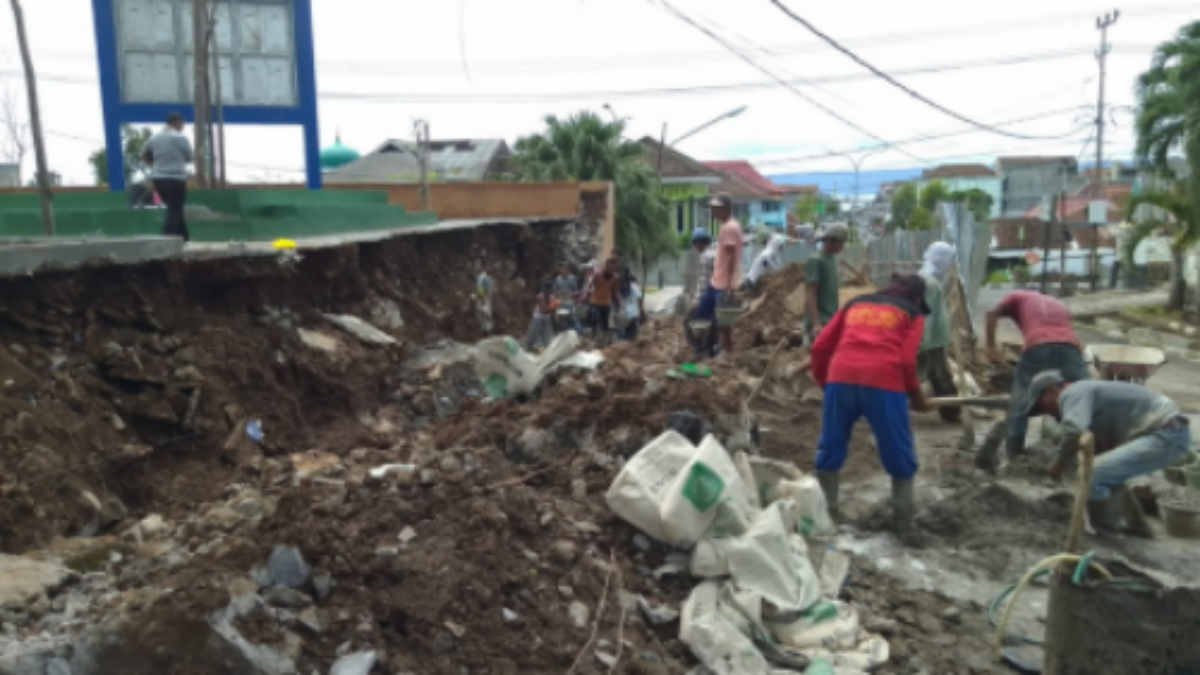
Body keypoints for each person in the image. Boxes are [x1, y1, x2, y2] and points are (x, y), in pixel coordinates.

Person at [810, 274, 932, 545]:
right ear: (916, 298)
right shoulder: (913, 315)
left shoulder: (854, 304)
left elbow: (820, 347)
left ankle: (826, 513)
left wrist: (826, 383)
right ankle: (903, 524)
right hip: (884, 383)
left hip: (840, 378)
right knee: (898, 450)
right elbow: (906, 362)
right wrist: (916, 396)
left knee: (830, 446)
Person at [1025, 370, 1190, 537]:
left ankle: (1106, 536)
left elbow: (1074, 430)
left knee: (1093, 473)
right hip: (1166, 432)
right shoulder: (1089, 395)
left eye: (1042, 405)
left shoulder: (1072, 393)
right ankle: (1139, 529)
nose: (1048, 412)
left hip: (1165, 434)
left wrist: (1058, 464)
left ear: (1051, 390)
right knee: (1110, 473)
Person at [981, 290, 1090, 470]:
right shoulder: (1058, 303)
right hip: (1071, 348)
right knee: (1081, 398)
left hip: (1037, 345)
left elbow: (991, 313)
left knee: (1020, 403)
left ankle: (1014, 456)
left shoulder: (1016, 296)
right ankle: (1081, 454)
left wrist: (990, 347)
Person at [917, 241, 960, 423]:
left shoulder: (928, 278)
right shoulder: (930, 282)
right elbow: (925, 314)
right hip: (930, 339)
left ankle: (950, 412)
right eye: (949, 260)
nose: (950, 265)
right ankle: (951, 412)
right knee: (939, 376)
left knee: (934, 374)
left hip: (933, 338)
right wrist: (922, 341)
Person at [701, 193, 744, 355]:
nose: (713, 212)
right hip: (718, 281)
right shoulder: (728, 225)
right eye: (712, 208)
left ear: (725, 208)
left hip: (723, 283)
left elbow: (732, 257)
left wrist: (729, 285)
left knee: (721, 320)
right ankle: (716, 349)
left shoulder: (729, 228)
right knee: (716, 318)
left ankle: (722, 350)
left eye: (716, 209)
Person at [141, 112, 193, 241]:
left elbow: (144, 154)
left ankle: (185, 238)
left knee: (175, 207)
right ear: (176, 123)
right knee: (174, 209)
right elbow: (189, 158)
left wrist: (155, 165)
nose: (183, 127)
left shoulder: (154, 138)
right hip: (176, 179)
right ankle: (166, 239)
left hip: (159, 179)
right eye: (182, 124)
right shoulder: (181, 138)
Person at [804, 223, 849, 342]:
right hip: (820, 323)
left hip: (830, 320)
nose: (842, 246)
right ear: (831, 241)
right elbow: (810, 293)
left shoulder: (832, 259)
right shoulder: (815, 260)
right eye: (841, 242)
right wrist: (816, 323)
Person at [586, 256, 621, 343]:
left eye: (613, 267)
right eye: (610, 266)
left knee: (605, 324)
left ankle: (603, 341)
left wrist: (618, 303)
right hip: (595, 302)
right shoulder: (597, 275)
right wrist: (586, 296)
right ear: (606, 266)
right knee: (596, 320)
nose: (611, 269)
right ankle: (594, 338)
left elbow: (615, 292)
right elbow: (589, 286)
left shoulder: (615, 278)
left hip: (606, 303)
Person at [525, 281, 555, 350]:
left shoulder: (551, 297)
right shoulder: (540, 296)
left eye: (549, 289)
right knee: (534, 332)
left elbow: (551, 310)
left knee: (547, 334)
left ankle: (546, 346)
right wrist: (552, 307)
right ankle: (530, 346)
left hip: (546, 317)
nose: (548, 291)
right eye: (547, 289)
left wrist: (553, 309)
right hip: (538, 317)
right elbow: (542, 309)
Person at [618, 268, 644, 340]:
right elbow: (639, 298)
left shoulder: (618, 285)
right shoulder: (633, 285)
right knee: (631, 337)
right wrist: (641, 310)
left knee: (622, 337)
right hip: (632, 314)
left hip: (622, 315)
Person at [475, 267, 496, 334]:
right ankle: (487, 330)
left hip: (486, 298)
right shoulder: (483, 277)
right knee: (486, 314)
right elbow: (480, 288)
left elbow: (483, 288)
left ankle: (487, 330)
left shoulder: (486, 277)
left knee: (486, 314)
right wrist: (483, 297)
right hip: (485, 298)